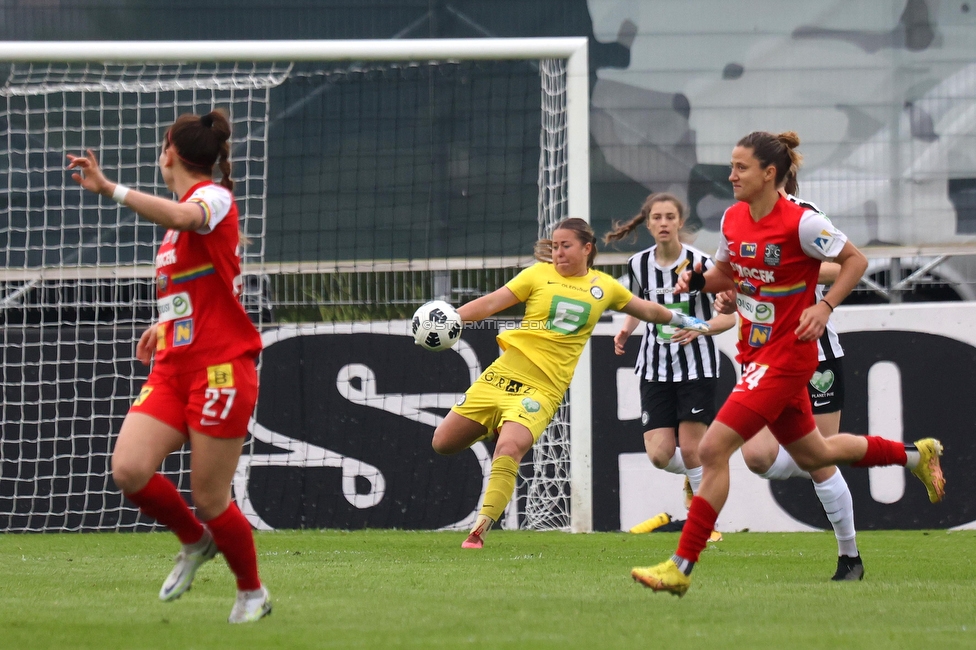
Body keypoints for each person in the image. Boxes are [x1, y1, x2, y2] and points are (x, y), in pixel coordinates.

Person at [630, 131, 946, 596]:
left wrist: (826, 306)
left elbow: (855, 261)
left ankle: (681, 566)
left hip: (787, 358)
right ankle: (917, 455)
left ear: (769, 173)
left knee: (713, 450)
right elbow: (727, 273)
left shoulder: (801, 222)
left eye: (740, 167)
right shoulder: (734, 218)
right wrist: (698, 279)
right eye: (731, 166)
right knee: (818, 452)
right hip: (755, 351)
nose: (731, 175)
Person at [66, 110, 272, 623]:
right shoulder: (181, 218)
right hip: (174, 365)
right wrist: (166, 324)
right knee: (129, 469)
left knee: (210, 497)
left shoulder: (212, 198)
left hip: (221, 367)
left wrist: (110, 188)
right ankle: (195, 543)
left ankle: (252, 593)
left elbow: (186, 219)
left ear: (169, 152)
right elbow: (202, 287)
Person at [431, 217, 710, 549]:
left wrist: (693, 321)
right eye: (554, 247)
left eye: (566, 246)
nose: (558, 253)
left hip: (542, 389)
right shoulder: (537, 275)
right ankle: (494, 425)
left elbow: (648, 310)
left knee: (509, 449)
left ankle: (479, 530)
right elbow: (491, 303)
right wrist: (451, 317)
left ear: (586, 248)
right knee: (442, 443)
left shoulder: (603, 287)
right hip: (501, 376)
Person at [603, 193, 735, 535]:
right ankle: (698, 480)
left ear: (679, 222)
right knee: (660, 455)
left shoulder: (703, 264)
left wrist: (697, 329)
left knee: (693, 449)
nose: (663, 223)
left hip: (697, 368)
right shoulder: (638, 265)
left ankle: (706, 523)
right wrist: (625, 329)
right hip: (654, 369)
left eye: (669, 217)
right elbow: (637, 305)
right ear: (648, 225)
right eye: (657, 218)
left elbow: (730, 319)